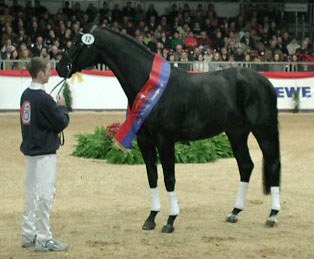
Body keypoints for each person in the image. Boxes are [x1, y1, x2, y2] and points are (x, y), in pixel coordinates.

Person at [20, 57, 69, 252]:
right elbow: (60, 122)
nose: (50, 73)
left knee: (32, 194)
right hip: (44, 152)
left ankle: (28, 232)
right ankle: (43, 238)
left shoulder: (26, 94)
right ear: (40, 73)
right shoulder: (43, 98)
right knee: (45, 195)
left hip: (31, 150)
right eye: (48, 70)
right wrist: (62, 107)